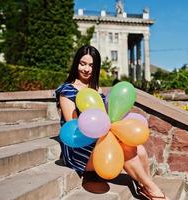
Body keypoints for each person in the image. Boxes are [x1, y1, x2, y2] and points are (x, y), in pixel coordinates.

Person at [55, 45, 169, 200]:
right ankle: (152, 190)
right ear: (76, 63)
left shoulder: (96, 89)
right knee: (124, 150)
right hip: (78, 148)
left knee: (140, 150)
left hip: (100, 140)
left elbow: (107, 118)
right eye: (83, 63)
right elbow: (73, 125)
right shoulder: (67, 90)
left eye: (91, 65)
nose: (86, 69)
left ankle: (146, 186)